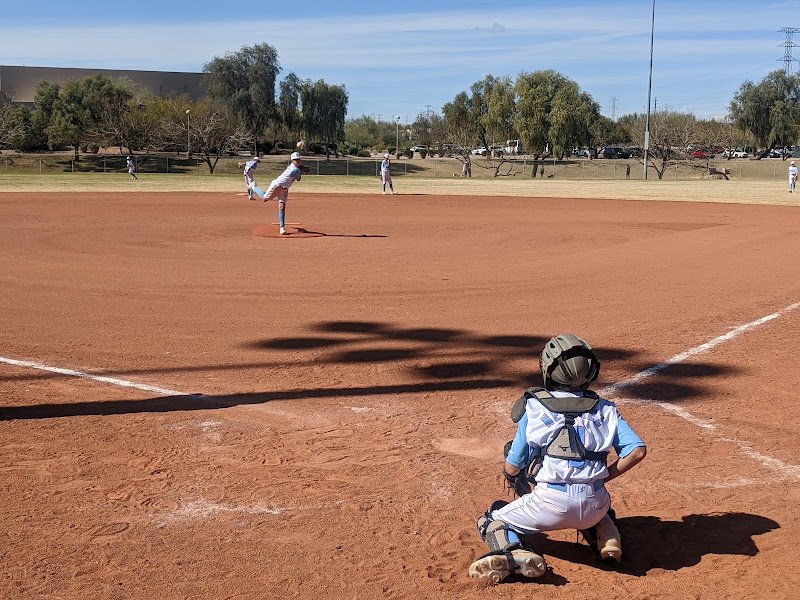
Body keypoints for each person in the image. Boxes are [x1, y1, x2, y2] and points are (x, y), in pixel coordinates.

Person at [469, 334, 647, 584]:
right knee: (598, 506)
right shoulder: (606, 409)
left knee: (491, 519)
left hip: (550, 503)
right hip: (596, 502)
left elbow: (513, 465)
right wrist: (605, 474)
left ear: (548, 370)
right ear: (592, 369)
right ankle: (606, 533)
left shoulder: (534, 407)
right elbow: (637, 450)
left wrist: (512, 474)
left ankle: (513, 553)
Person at [263, 152, 309, 235]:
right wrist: (303, 170)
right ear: (292, 160)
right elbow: (298, 179)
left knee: (282, 207)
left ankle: (282, 228)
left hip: (284, 189)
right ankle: (255, 188)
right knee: (264, 199)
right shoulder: (295, 170)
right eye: (296, 160)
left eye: (299, 159)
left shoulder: (296, 167)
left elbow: (299, 169)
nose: (298, 161)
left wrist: (302, 169)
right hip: (277, 186)